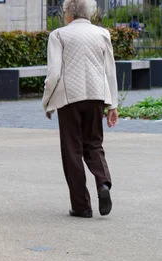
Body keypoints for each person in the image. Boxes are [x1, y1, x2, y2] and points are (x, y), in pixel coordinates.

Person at [42, 0, 118, 218]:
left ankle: (81, 206)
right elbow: (110, 71)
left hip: (69, 98)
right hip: (96, 96)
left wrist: (47, 101)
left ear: (69, 13)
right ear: (89, 13)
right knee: (94, 144)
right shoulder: (102, 34)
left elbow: (54, 73)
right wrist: (112, 104)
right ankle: (103, 184)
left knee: (72, 150)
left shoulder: (59, 35)